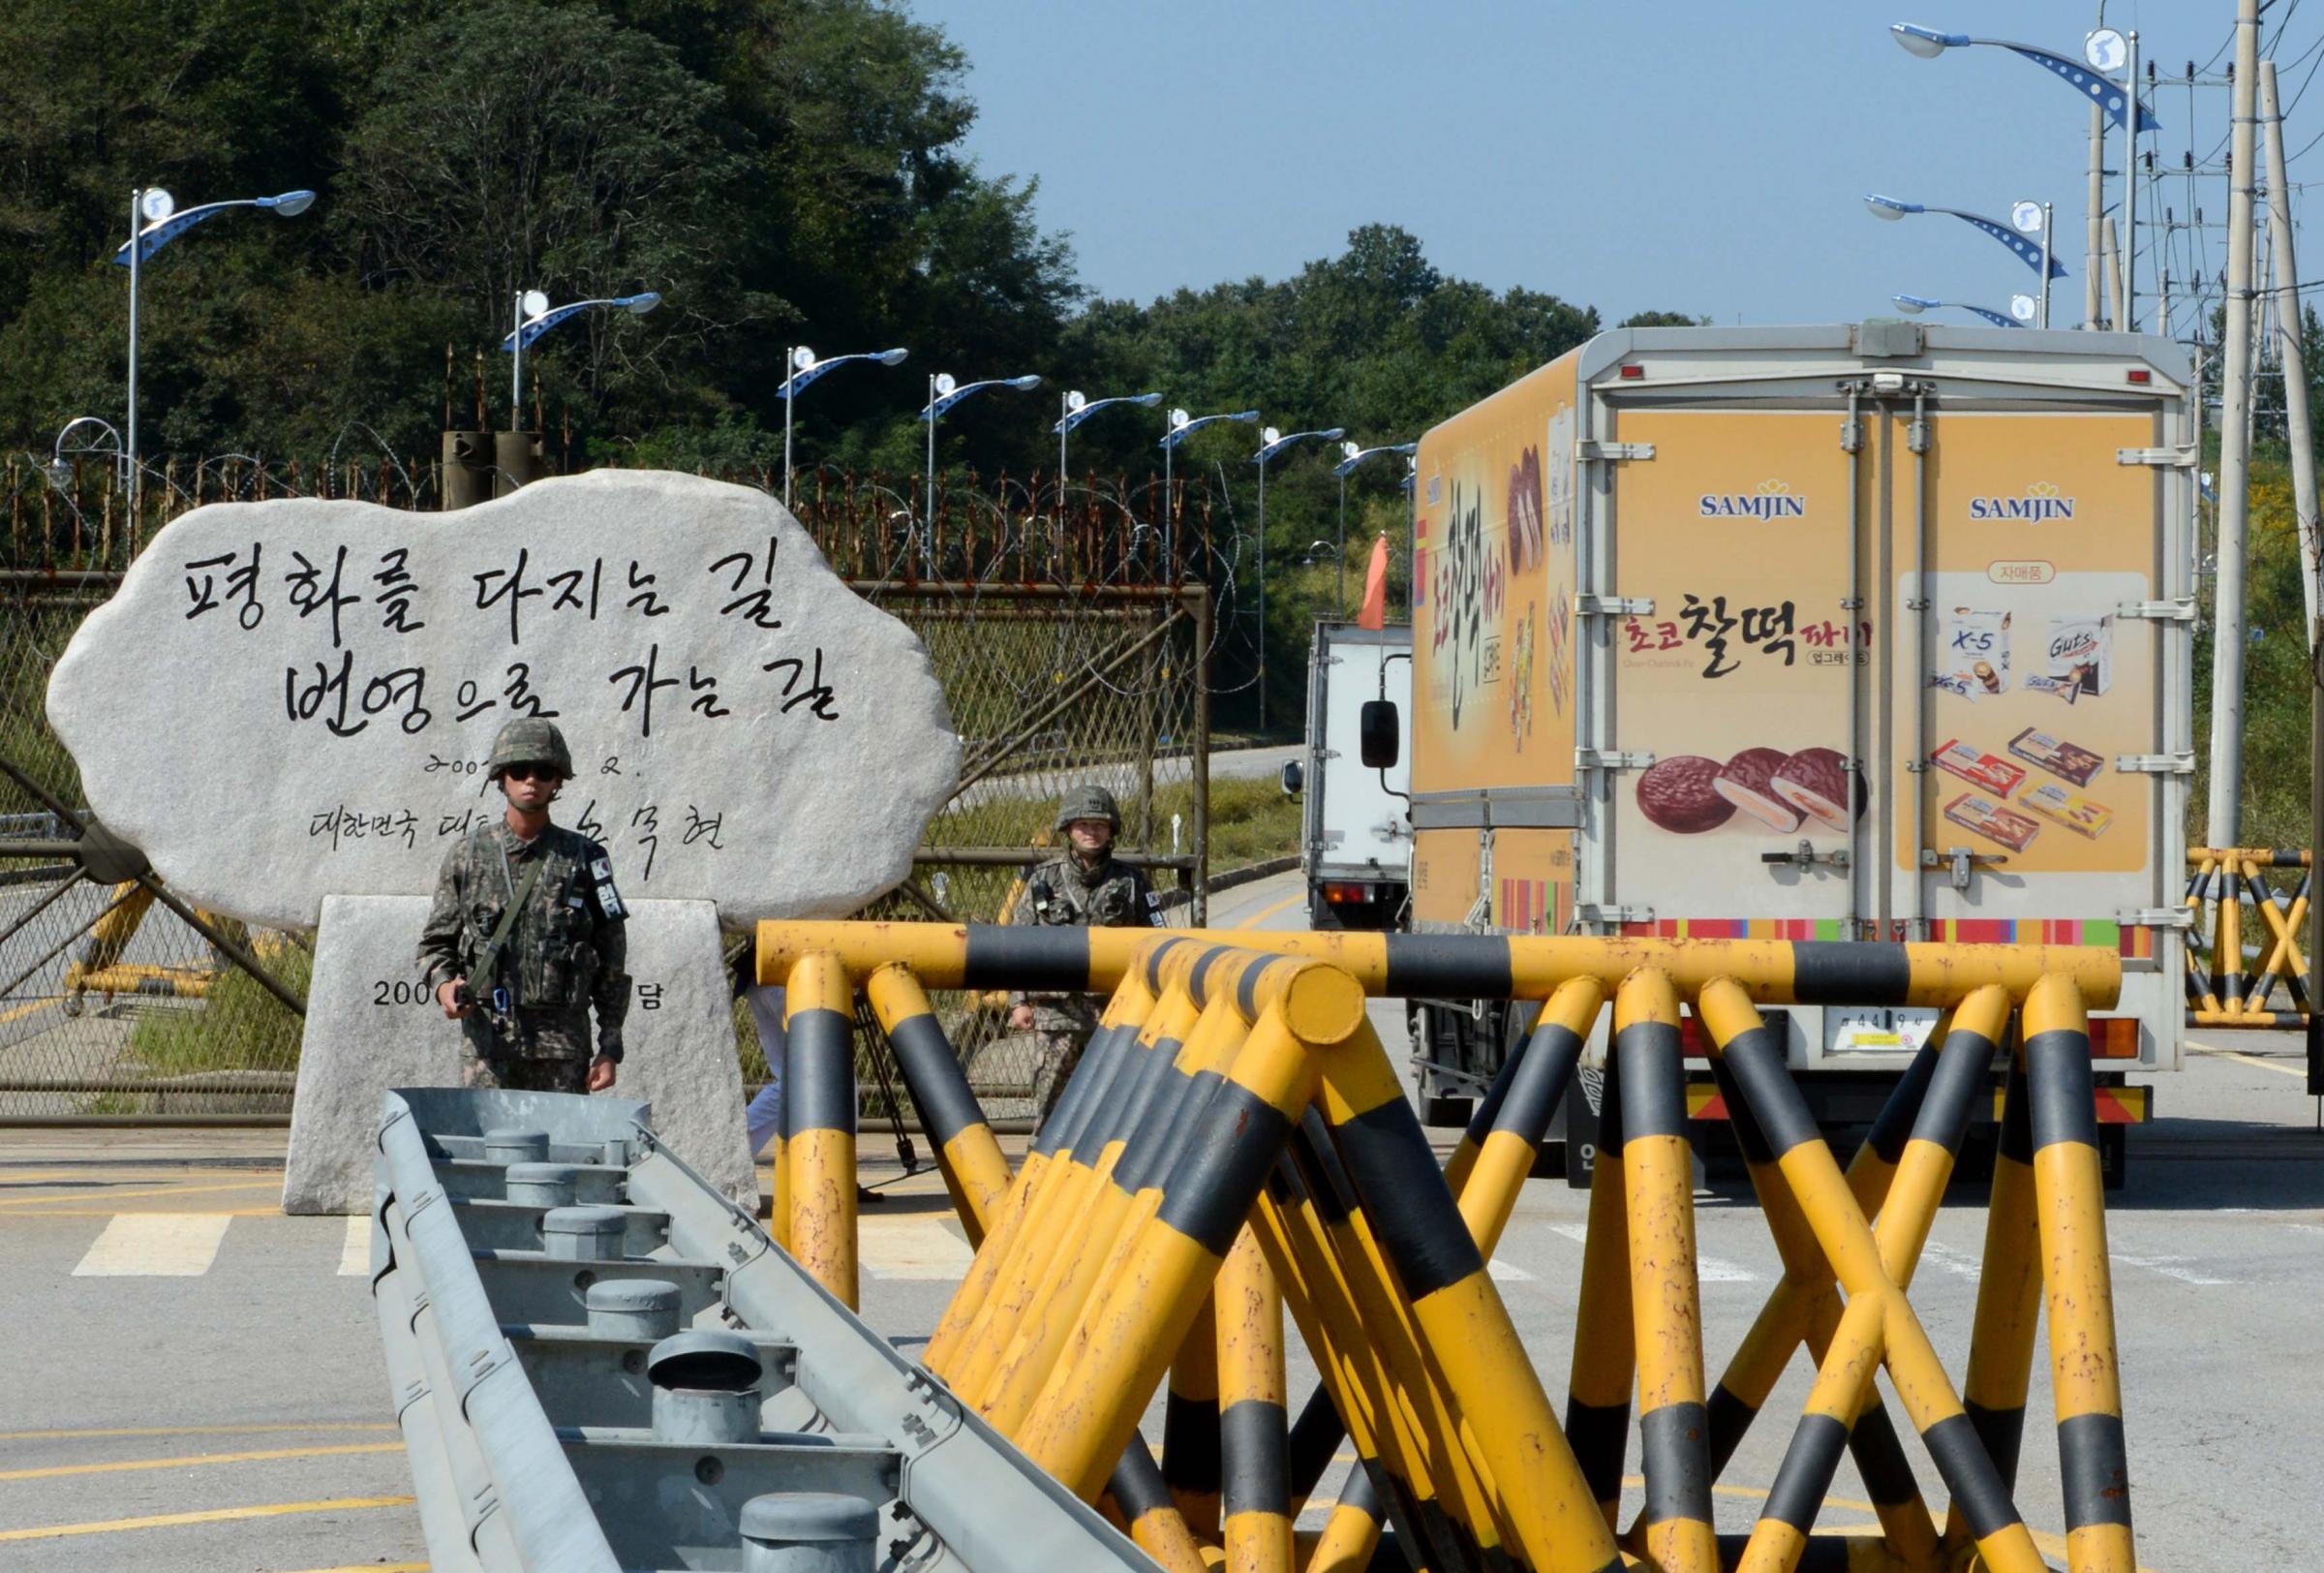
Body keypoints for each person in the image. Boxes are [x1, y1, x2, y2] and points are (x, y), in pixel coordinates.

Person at [418, 718, 629, 1094]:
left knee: (562, 1151)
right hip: (488, 1047)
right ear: (502, 778)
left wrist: (609, 1047)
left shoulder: (586, 858)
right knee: (489, 1150)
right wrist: (445, 987)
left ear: (558, 780)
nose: (531, 780)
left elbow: (612, 960)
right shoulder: (467, 856)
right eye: (519, 770)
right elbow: (435, 944)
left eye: (544, 771)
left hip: (563, 1050)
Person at [1006, 785, 1163, 1121]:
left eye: (1100, 825)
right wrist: (1018, 1001)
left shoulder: (1132, 882)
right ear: (1068, 829)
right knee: (1051, 1109)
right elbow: (1017, 943)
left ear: (1111, 831)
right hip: (1055, 1015)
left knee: (1114, 1109)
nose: (1091, 832)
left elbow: (1158, 942)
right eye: (1083, 825)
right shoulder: (1043, 880)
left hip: (1116, 1012)